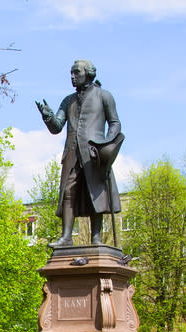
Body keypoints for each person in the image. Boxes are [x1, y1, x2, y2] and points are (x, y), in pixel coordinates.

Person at [36, 59, 124, 247]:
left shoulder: (103, 96)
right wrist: (48, 116)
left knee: (96, 194)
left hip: (95, 154)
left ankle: (96, 237)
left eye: (76, 72)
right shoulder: (68, 100)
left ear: (89, 73)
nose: (72, 77)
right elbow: (57, 127)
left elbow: (115, 123)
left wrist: (106, 144)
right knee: (68, 193)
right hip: (72, 154)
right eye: (71, 73)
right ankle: (66, 236)